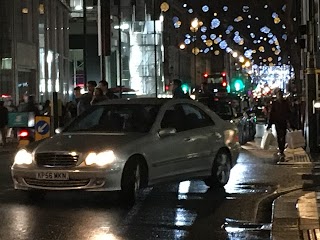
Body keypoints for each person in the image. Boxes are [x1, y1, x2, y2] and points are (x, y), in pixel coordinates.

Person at [267, 90, 291, 157]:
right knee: (279, 135)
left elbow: (288, 112)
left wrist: (289, 122)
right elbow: (272, 114)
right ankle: (281, 148)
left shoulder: (285, 103)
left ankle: (282, 148)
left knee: (283, 135)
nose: (279, 96)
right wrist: (270, 124)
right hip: (277, 122)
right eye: (278, 95)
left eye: (280, 95)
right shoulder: (275, 103)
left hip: (283, 121)